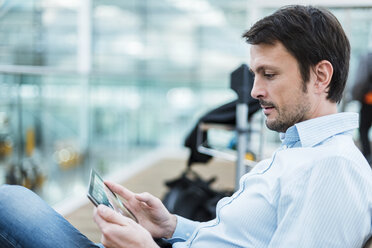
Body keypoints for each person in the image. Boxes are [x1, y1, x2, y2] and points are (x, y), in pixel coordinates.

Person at [0, 4, 372, 248]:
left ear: (321, 75)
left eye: (269, 74)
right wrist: (171, 226)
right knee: (12, 201)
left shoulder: (332, 168)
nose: (256, 90)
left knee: (9, 203)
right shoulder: (301, 150)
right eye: (256, 74)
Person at [352, 52, 372, 165]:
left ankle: (367, 156)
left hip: (369, 101)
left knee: (363, 129)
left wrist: (356, 96)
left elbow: (361, 80)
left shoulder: (368, 58)